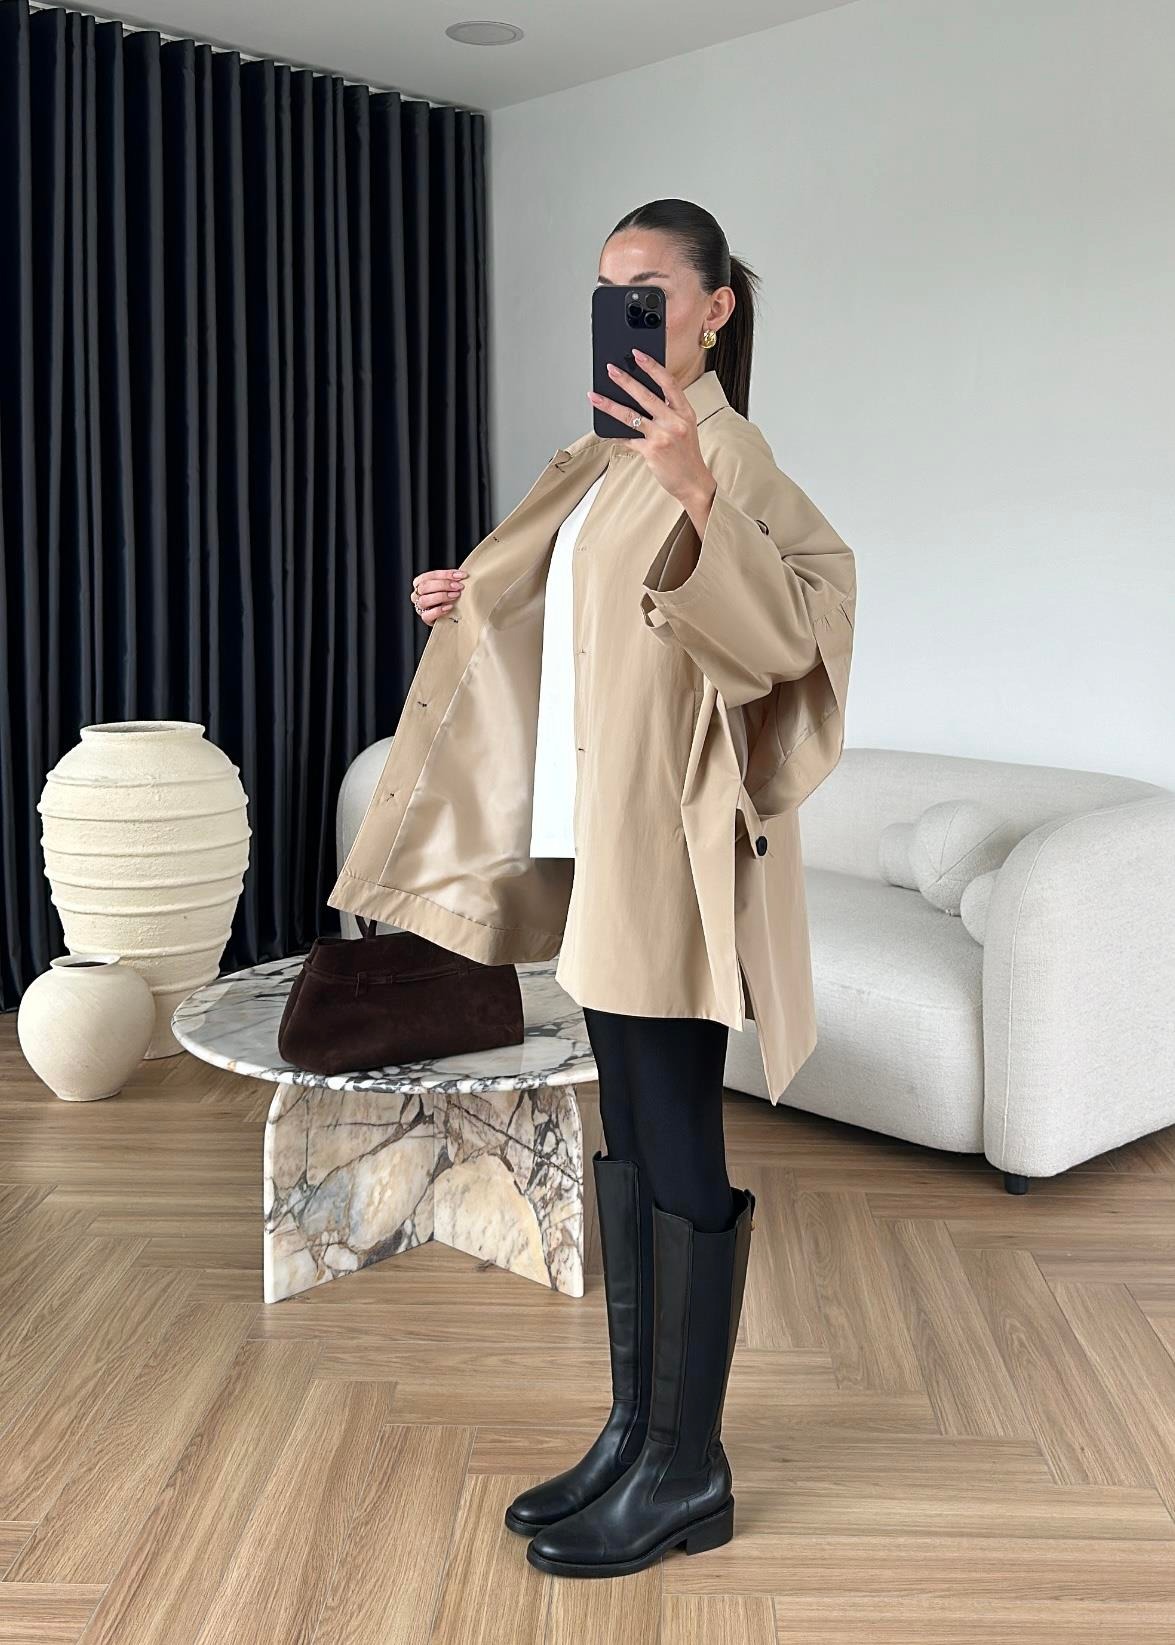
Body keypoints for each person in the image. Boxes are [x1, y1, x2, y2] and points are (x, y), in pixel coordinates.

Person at [406, 199, 852, 1579]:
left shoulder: (725, 452)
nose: (629, 314)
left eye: (649, 290)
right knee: (632, 1140)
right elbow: (604, 625)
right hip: (606, 844)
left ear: (715, 308)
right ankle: (634, 1433)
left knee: (678, 1140)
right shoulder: (607, 457)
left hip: (672, 849)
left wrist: (703, 494)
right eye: (610, 292)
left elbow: (795, 631)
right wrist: (483, 594)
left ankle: (688, 1469)